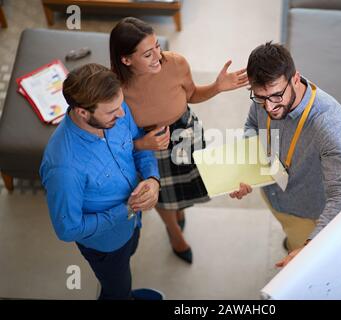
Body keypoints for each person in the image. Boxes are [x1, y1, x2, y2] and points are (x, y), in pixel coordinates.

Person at [109, 17, 248, 263]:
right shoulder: (114, 89)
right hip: (149, 146)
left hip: (186, 131)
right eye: (148, 54)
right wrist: (142, 145)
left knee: (187, 186)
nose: (158, 58)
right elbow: (109, 140)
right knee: (161, 196)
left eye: (157, 48)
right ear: (126, 60)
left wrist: (217, 87)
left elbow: (192, 94)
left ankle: (179, 211)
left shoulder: (175, 63)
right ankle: (173, 232)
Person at [40, 63, 163, 300]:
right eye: (112, 111)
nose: (123, 114)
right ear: (82, 112)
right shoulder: (64, 167)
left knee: (130, 252)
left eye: (120, 105)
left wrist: (152, 177)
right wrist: (127, 208)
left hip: (132, 221)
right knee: (116, 289)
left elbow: (139, 143)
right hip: (105, 244)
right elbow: (68, 229)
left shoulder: (114, 109)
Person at [230, 42, 341, 267]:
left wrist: (310, 245)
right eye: (260, 98)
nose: (269, 107)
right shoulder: (267, 94)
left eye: (276, 96)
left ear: (295, 79)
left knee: (302, 257)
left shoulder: (328, 123)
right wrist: (249, 164)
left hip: (307, 214)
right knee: (289, 235)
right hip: (272, 193)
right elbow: (252, 124)